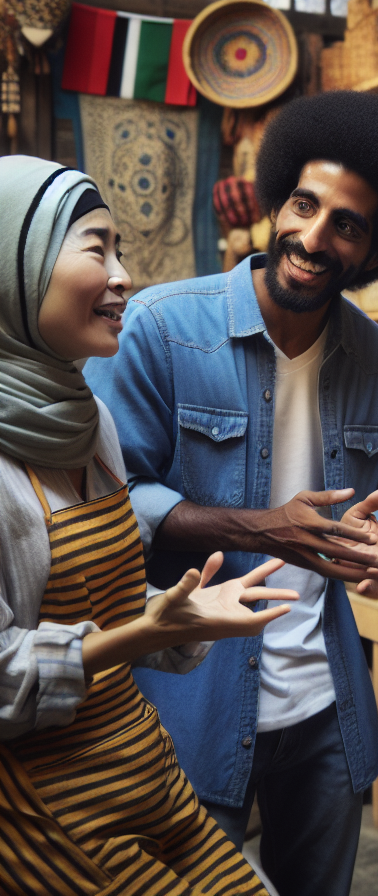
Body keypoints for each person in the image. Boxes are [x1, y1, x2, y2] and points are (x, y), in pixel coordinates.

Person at [85, 90, 378, 896]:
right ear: (277, 200)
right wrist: (263, 528)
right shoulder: (160, 329)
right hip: (185, 702)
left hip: (324, 711)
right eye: (304, 205)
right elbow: (110, 509)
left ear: (373, 247)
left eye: (345, 224)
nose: (313, 237)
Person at [0, 155, 306, 894]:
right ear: (17, 267)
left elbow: (92, 614)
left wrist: (177, 618)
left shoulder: (90, 420)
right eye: (95, 248)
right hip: (50, 804)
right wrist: (144, 634)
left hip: (144, 768)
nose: (122, 276)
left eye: (121, 250)